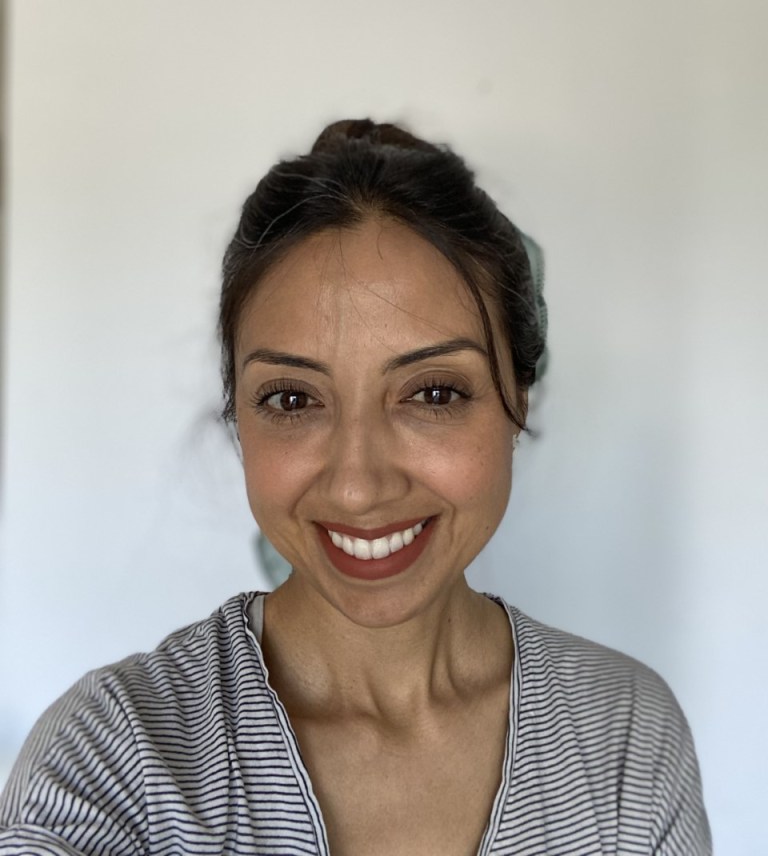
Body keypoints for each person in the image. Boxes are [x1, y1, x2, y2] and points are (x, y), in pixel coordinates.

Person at [0, 120, 711, 855]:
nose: (357, 488)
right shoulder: (114, 760)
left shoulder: (625, 736)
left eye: (433, 393)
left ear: (518, 397)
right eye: (293, 399)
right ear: (239, 412)